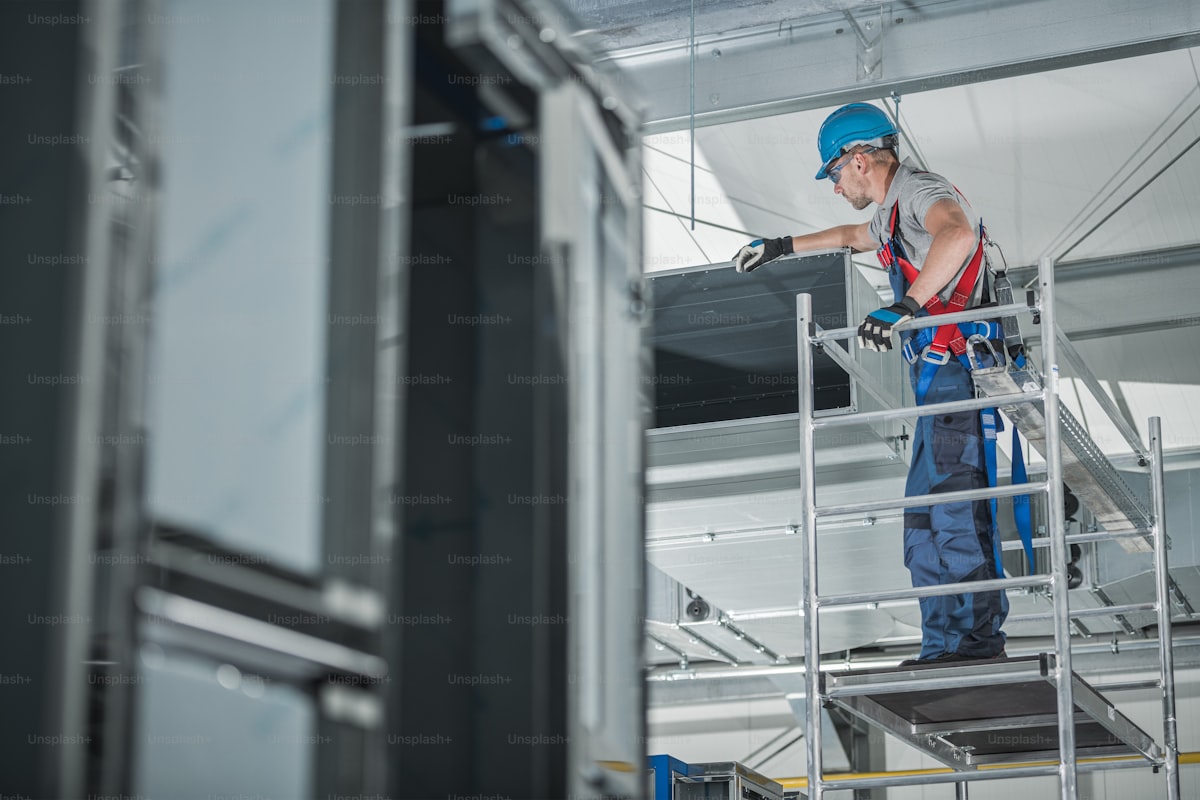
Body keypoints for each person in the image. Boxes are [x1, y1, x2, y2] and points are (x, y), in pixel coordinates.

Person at [733, 102, 1007, 666]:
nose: (834, 186)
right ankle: (942, 645)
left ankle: (976, 645)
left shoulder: (923, 190)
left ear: (859, 160)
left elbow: (956, 234)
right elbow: (855, 236)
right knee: (924, 520)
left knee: (955, 510)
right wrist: (782, 246)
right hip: (934, 383)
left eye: (833, 173)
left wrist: (904, 306)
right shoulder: (890, 212)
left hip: (955, 373)